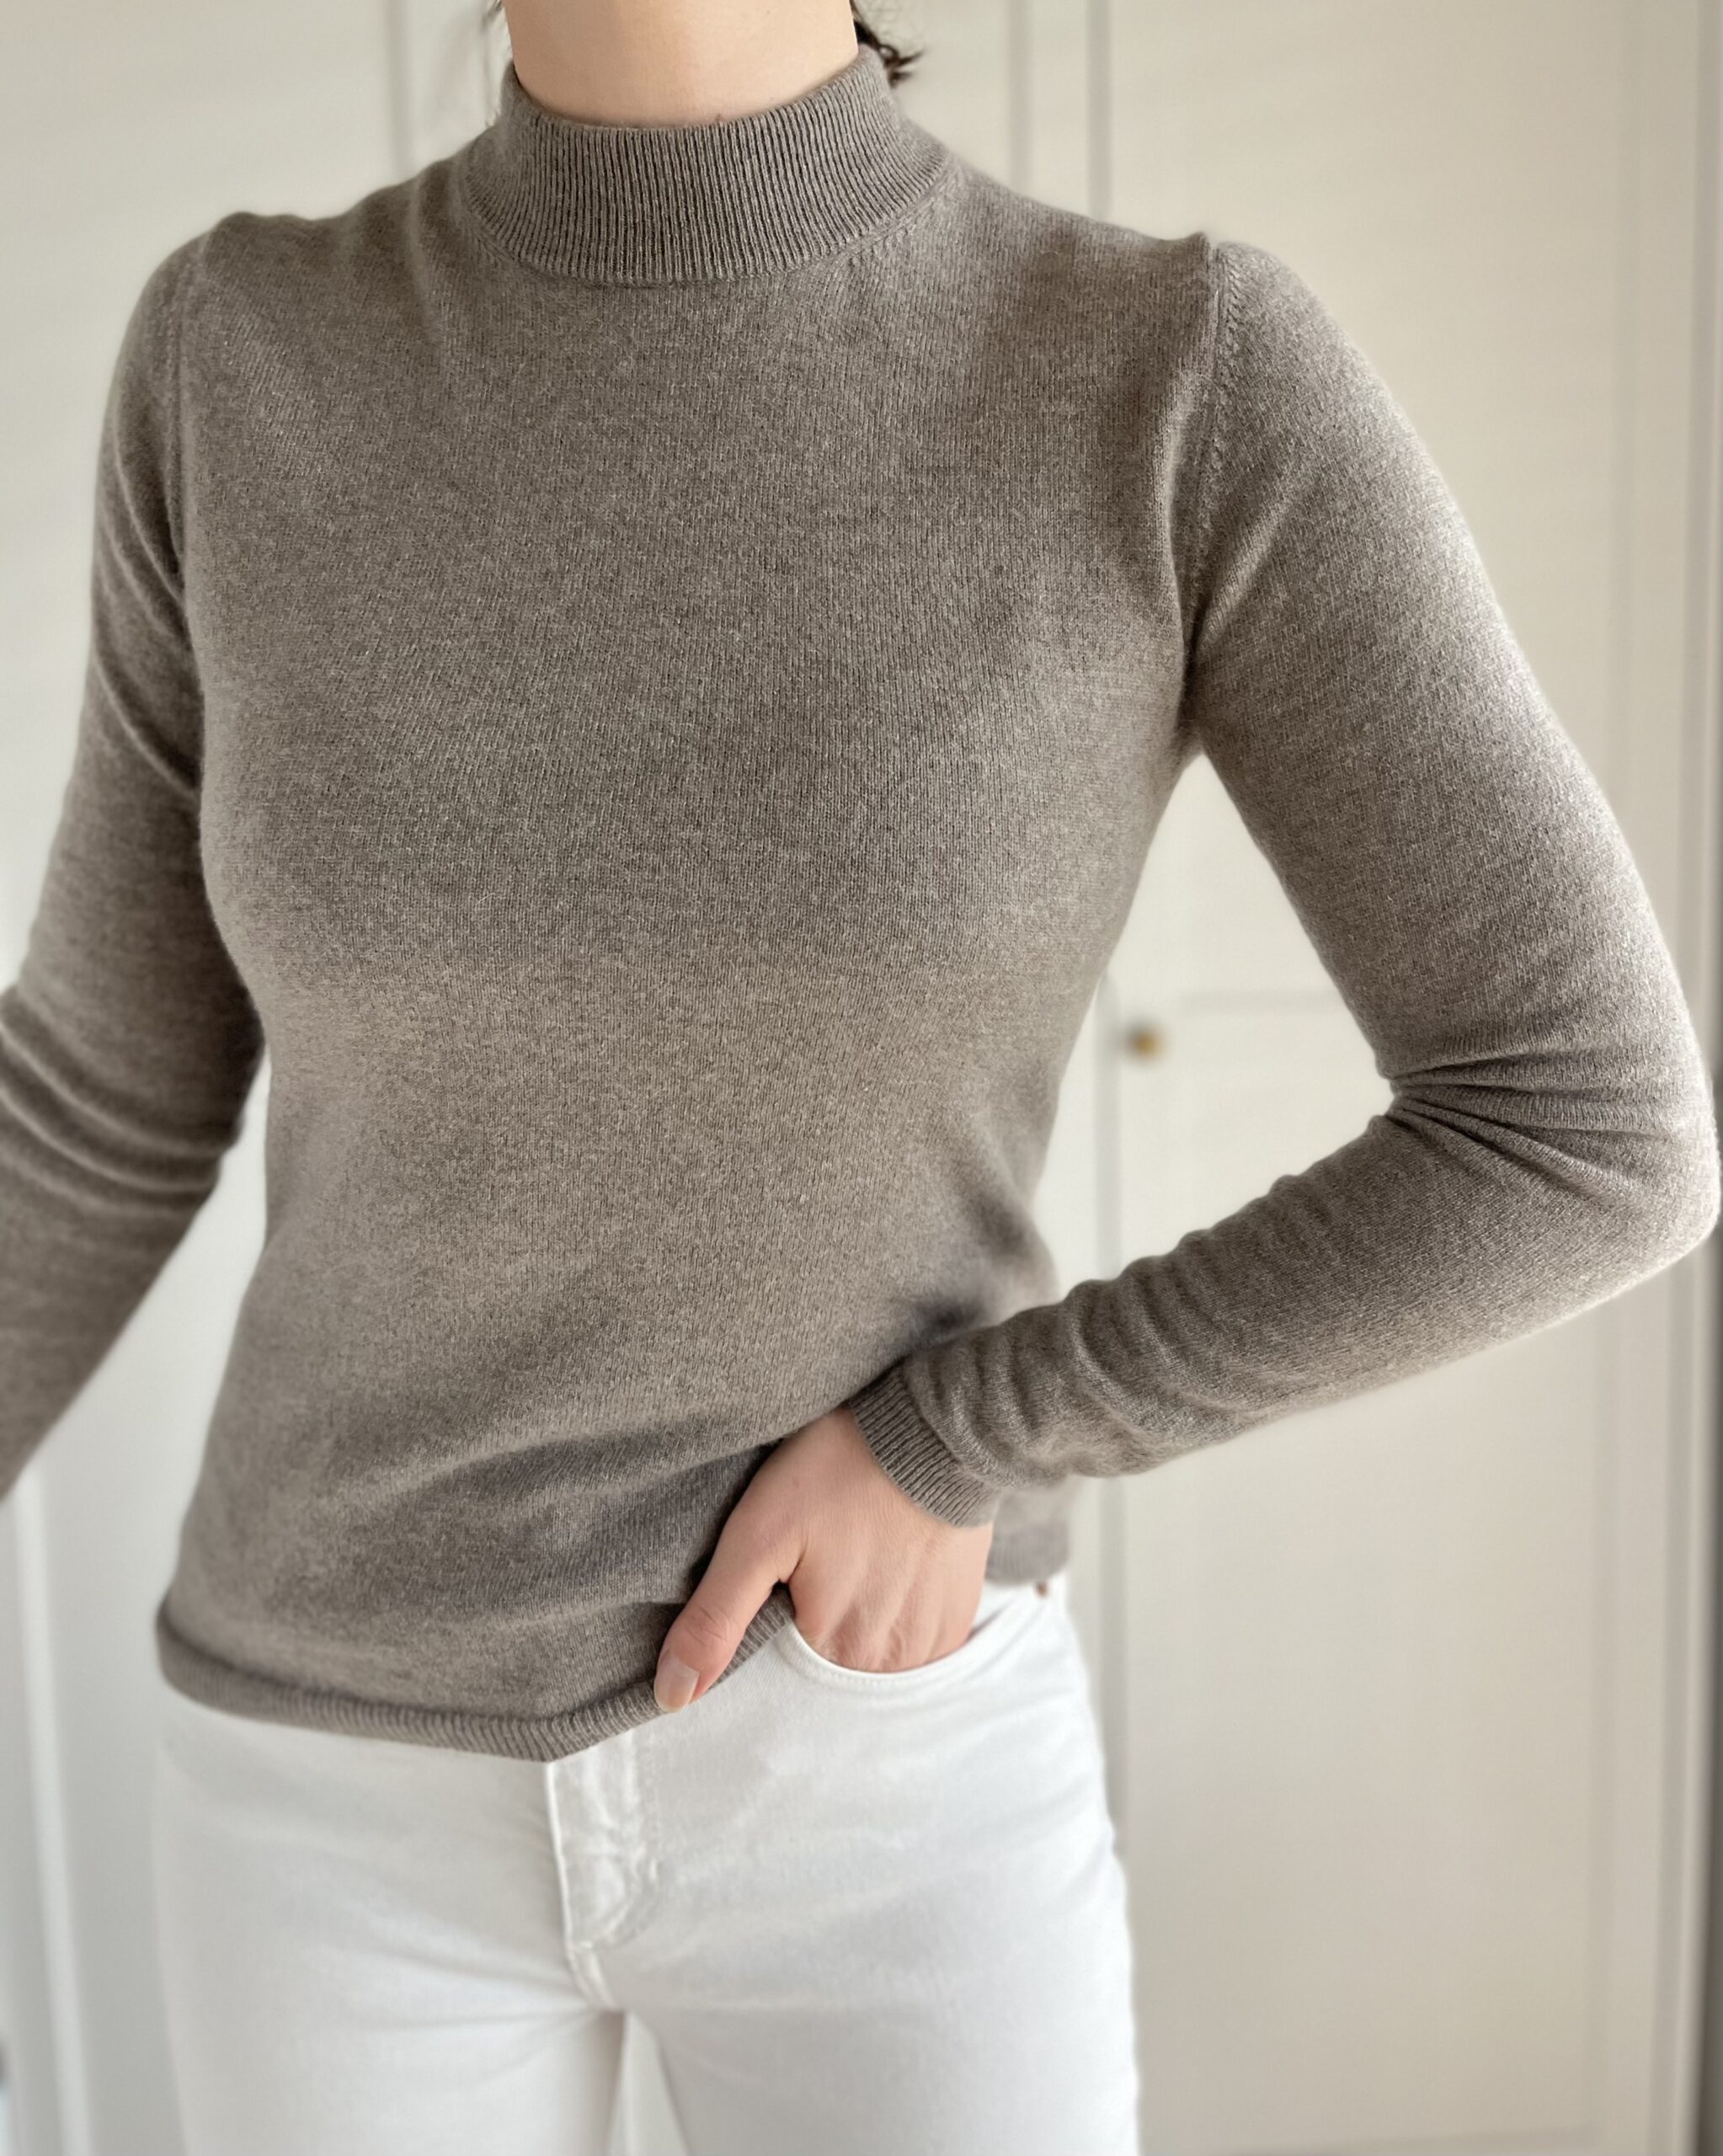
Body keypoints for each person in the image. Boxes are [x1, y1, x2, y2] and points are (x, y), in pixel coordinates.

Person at [3, 2, 1717, 2151]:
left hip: (885, 1770)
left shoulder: (1168, 373)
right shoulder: (237, 356)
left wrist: (970, 1428)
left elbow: (1584, 1121)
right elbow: (92, 1097)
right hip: (327, 1795)